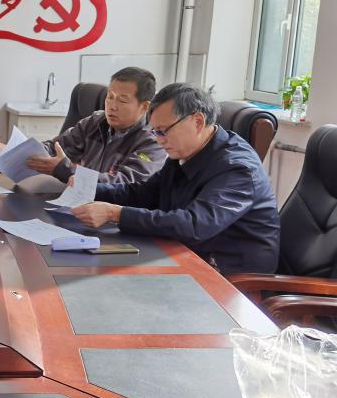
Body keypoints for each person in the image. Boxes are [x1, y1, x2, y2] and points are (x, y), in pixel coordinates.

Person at [72, 83, 280, 274]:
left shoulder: (237, 168)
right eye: (155, 132)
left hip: (228, 277)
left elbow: (195, 224)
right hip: (185, 255)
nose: (158, 141)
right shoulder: (186, 152)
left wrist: (115, 213)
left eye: (163, 132)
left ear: (197, 122)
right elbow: (145, 193)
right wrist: (89, 188)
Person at [26, 67, 166, 184]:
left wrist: (66, 170)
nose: (112, 106)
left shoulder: (154, 141)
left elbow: (124, 183)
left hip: (113, 207)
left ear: (144, 107)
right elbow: (55, 148)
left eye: (122, 101)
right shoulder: (96, 122)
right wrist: (28, 152)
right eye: (110, 97)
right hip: (80, 199)